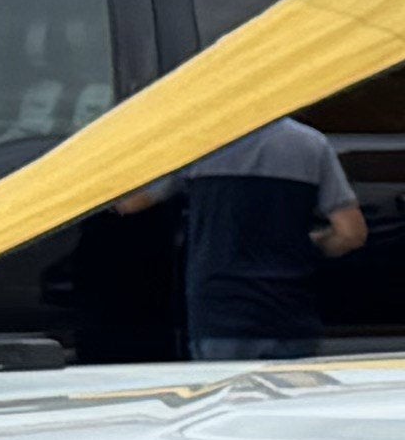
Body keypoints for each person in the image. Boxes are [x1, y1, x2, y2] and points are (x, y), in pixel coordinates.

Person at [131, 114, 368, 362]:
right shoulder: (312, 144)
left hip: (219, 314)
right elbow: (351, 233)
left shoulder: (198, 143)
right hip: (290, 315)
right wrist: (313, 243)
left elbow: (131, 202)